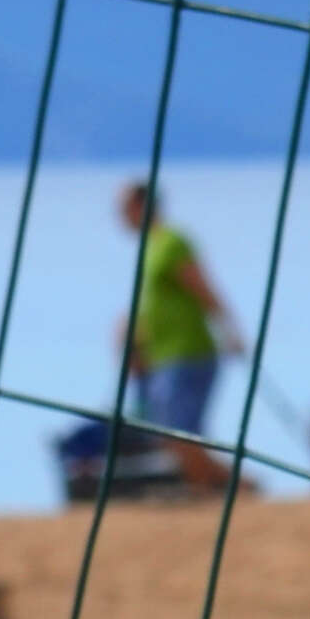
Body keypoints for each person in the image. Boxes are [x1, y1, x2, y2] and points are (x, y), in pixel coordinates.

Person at [114, 180, 233, 433]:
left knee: (181, 438)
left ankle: (237, 475)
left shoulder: (171, 243)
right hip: (163, 357)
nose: (120, 217)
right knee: (169, 436)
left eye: (124, 208)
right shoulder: (151, 247)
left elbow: (202, 288)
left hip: (187, 353)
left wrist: (230, 331)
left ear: (141, 206)